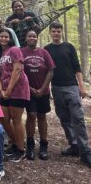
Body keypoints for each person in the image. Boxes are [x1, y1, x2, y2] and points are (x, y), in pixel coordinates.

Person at [44, 22, 91, 168]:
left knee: (78, 118)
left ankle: (85, 151)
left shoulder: (69, 47)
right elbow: (46, 71)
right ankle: (74, 145)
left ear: (61, 32)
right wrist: (47, 88)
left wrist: (81, 86)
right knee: (64, 118)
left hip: (71, 86)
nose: (56, 33)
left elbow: (77, 67)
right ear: (50, 33)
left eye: (58, 31)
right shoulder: (47, 49)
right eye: (54, 31)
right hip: (56, 88)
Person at [0, 28, 30, 162]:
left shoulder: (14, 49)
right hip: (4, 89)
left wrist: (9, 89)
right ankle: (16, 144)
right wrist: (1, 90)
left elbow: (18, 69)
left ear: (10, 38)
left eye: (6, 36)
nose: (3, 38)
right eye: (1, 36)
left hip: (18, 88)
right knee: (3, 118)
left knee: (16, 118)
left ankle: (20, 150)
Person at [21, 29, 55, 160]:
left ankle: (43, 145)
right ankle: (30, 145)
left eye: (34, 36)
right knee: (31, 115)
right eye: (30, 36)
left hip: (43, 91)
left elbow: (51, 71)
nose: (32, 38)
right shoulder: (22, 52)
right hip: (28, 91)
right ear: (26, 38)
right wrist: (29, 87)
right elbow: (19, 71)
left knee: (41, 116)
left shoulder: (44, 52)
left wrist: (43, 88)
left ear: (37, 38)